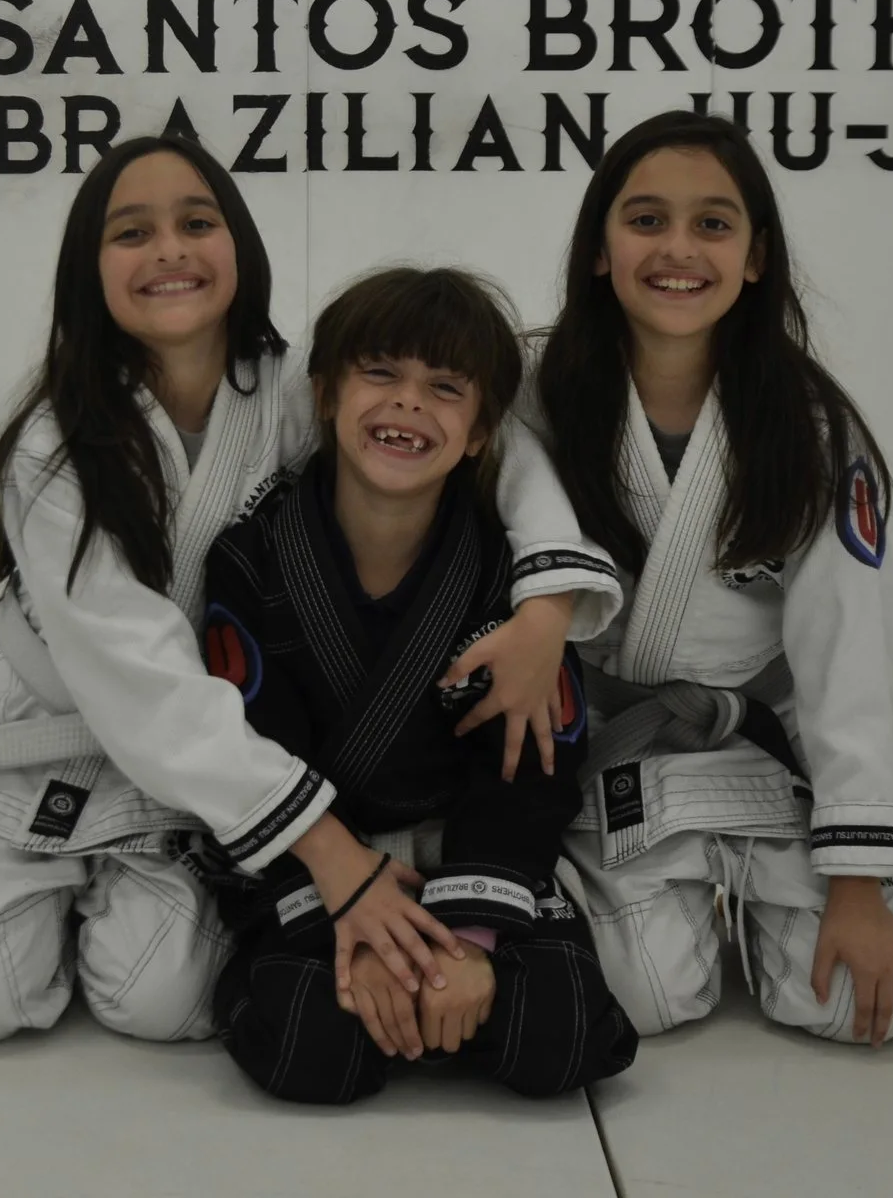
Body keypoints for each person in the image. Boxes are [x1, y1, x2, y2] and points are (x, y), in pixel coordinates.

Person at [0, 136, 620, 1044]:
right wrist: (336, 858)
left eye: (197, 222)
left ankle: (119, 890)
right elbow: (140, 681)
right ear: (85, 272)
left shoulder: (293, 389)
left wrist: (543, 610)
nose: (170, 250)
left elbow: (499, 450)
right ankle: (14, 882)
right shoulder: (56, 448)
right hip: (64, 733)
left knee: (164, 1007)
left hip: (213, 755)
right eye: (131, 233)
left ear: (240, 247)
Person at [533, 111, 893, 1047]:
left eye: (713, 224)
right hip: (612, 739)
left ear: (757, 257)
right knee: (645, 1001)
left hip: (759, 740)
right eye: (645, 221)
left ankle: (784, 881)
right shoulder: (533, 393)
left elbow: (851, 660)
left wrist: (859, 880)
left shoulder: (812, 432)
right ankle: (651, 889)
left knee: (849, 1004)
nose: (679, 249)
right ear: (600, 249)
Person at [202, 266, 640, 1105]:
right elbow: (250, 752)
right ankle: (382, 990)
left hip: (466, 850)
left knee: (559, 1036)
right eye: (380, 374)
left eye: (444, 387)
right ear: (325, 395)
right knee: (310, 1047)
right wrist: (359, 924)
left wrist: (470, 939)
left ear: (481, 433)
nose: (408, 405)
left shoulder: (514, 584)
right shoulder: (252, 560)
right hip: (317, 857)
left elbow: (533, 765)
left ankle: (447, 985)